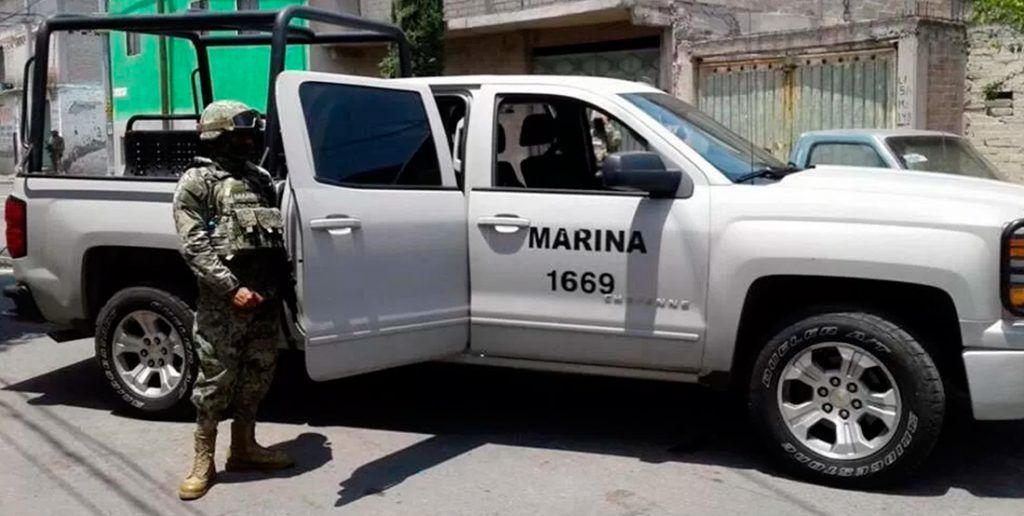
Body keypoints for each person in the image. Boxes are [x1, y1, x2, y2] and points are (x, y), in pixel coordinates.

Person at [172, 100, 293, 500]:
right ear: (218, 136)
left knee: (257, 374)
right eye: (239, 135)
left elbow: (272, 239)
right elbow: (195, 246)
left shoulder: (259, 179)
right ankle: (203, 460)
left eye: (249, 135)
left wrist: (282, 287)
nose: (247, 141)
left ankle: (244, 447)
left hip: (264, 299)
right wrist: (231, 288)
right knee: (215, 381)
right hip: (224, 304)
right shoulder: (197, 182)